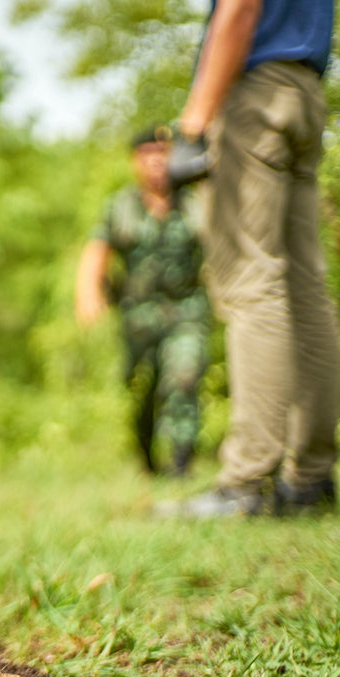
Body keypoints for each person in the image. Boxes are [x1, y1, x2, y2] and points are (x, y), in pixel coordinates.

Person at [161, 0, 340, 516]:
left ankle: (246, 481)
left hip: (257, 95)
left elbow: (239, 4)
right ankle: (311, 476)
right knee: (303, 284)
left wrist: (196, 122)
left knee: (250, 281)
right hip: (305, 92)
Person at [75, 126, 210, 477]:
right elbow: (97, 249)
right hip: (139, 315)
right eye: (147, 154)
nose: (156, 162)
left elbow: (218, 248)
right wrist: (88, 292)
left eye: (163, 153)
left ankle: (182, 464)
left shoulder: (194, 204)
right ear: (135, 161)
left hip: (186, 309)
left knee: (184, 377)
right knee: (143, 389)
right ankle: (148, 459)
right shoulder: (122, 206)